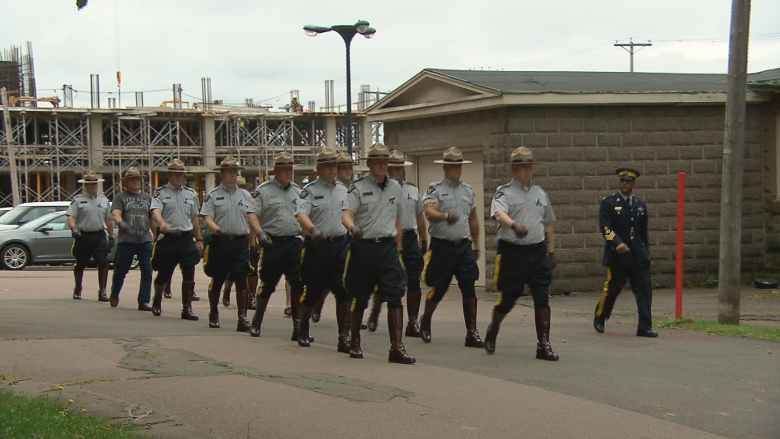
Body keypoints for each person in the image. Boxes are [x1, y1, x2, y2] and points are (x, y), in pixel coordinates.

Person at [342, 142, 415, 364]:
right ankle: (354, 340)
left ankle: (396, 347)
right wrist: (351, 227)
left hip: (387, 247)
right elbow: (346, 214)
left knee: (394, 294)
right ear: (369, 164)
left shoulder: (396, 188)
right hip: (364, 246)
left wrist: (399, 247)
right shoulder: (357, 187)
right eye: (379, 161)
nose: (384, 165)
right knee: (361, 295)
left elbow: (399, 220)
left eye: (386, 161)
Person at [484, 147, 559, 360]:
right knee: (509, 297)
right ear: (514, 168)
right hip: (512, 252)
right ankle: (493, 328)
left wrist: (551, 252)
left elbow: (549, 224)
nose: (528, 171)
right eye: (523, 167)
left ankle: (543, 344)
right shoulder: (504, 192)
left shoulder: (540, 194)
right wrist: (514, 225)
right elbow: (499, 214)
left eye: (530, 167)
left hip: (537, 252)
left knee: (542, 296)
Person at [419, 147, 484, 348]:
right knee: (439, 287)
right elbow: (429, 213)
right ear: (445, 167)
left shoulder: (467, 191)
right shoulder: (435, 189)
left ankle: (471, 332)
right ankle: (426, 320)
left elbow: (473, 218)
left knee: (469, 287)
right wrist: (445, 216)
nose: (457, 169)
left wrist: (476, 244)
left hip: (463, 246)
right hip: (442, 246)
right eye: (453, 165)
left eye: (459, 165)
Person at [366, 150, 428, 337]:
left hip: (409, 238)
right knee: (386, 280)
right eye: (393, 167)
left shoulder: (412, 190)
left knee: (414, 279)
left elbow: (420, 217)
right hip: (387, 238)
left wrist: (424, 239)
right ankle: (376, 311)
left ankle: (412, 322)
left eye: (400, 167)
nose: (397, 170)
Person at [295, 147, 350, 350]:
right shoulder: (309, 191)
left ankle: (344, 336)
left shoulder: (344, 190)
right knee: (313, 290)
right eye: (328, 165)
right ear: (319, 168)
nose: (332, 169)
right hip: (317, 245)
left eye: (334, 165)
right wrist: (312, 228)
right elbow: (301, 214)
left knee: (343, 290)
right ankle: (303, 328)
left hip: (340, 244)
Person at [247, 152, 306, 341]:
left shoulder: (299, 192)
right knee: (267, 284)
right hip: (272, 242)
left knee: (298, 284)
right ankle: (257, 321)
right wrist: (260, 233)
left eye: (290, 169)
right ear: (276, 171)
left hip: (295, 242)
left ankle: (298, 326)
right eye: (285, 169)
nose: (289, 172)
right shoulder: (263, 191)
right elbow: (252, 215)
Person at [593, 168, 657, 338]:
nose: (624, 183)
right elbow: (606, 228)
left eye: (627, 181)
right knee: (612, 290)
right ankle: (600, 316)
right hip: (618, 256)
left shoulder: (640, 205)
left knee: (644, 291)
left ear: (634, 184)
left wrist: (647, 254)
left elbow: (643, 233)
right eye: (622, 180)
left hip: (638, 256)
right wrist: (616, 242)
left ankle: (644, 326)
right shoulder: (609, 203)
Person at [200, 155, 254, 331]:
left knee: (241, 279)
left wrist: (252, 244)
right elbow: (207, 219)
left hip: (240, 242)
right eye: (229, 172)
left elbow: (251, 219)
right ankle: (214, 312)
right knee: (218, 278)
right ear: (221, 174)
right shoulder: (213, 196)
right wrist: (217, 230)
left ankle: (242, 317)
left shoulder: (246, 196)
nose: (233, 175)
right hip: (220, 242)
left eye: (235, 172)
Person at [149, 159, 203, 320]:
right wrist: (161, 223)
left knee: (189, 270)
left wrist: (199, 238)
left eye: (182, 174)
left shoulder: (191, 194)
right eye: (176, 174)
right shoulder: (161, 193)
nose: (179, 177)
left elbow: (194, 218)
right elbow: (156, 211)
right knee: (164, 272)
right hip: (168, 238)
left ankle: (187, 308)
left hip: (186, 237)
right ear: (169, 175)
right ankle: (158, 298)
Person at [310, 151, 354, 323]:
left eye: (348, 168)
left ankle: (349, 318)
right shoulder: (315, 190)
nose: (346, 172)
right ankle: (317, 305)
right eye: (343, 168)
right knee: (324, 282)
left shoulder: (349, 189)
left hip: (346, 238)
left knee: (346, 281)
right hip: (323, 242)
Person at [109, 167, 155, 311]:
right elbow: (116, 213)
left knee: (147, 270)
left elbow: (152, 218)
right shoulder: (120, 197)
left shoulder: (148, 198)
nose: (135, 181)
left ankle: (143, 301)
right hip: (127, 239)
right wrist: (120, 222)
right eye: (132, 179)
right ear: (127, 182)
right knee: (121, 270)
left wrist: (157, 235)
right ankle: (115, 292)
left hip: (145, 239)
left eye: (137, 179)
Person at [67, 171, 114, 301]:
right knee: (81, 263)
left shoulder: (104, 201)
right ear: (85, 186)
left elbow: (108, 220)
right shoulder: (78, 200)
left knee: (103, 261)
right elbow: (70, 216)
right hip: (83, 235)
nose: (93, 186)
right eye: (90, 184)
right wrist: (74, 228)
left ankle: (103, 291)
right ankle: (78, 288)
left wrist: (111, 236)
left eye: (95, 183)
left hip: (99, 235)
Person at [220, 175, 257, 310]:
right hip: (232, 239)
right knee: (232, 271)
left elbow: (252, 223)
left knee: (252, 269)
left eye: (242, 187)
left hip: (247, 239)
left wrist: (252, 245)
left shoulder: (248, 199)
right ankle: (227, 290)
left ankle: (251, 297)